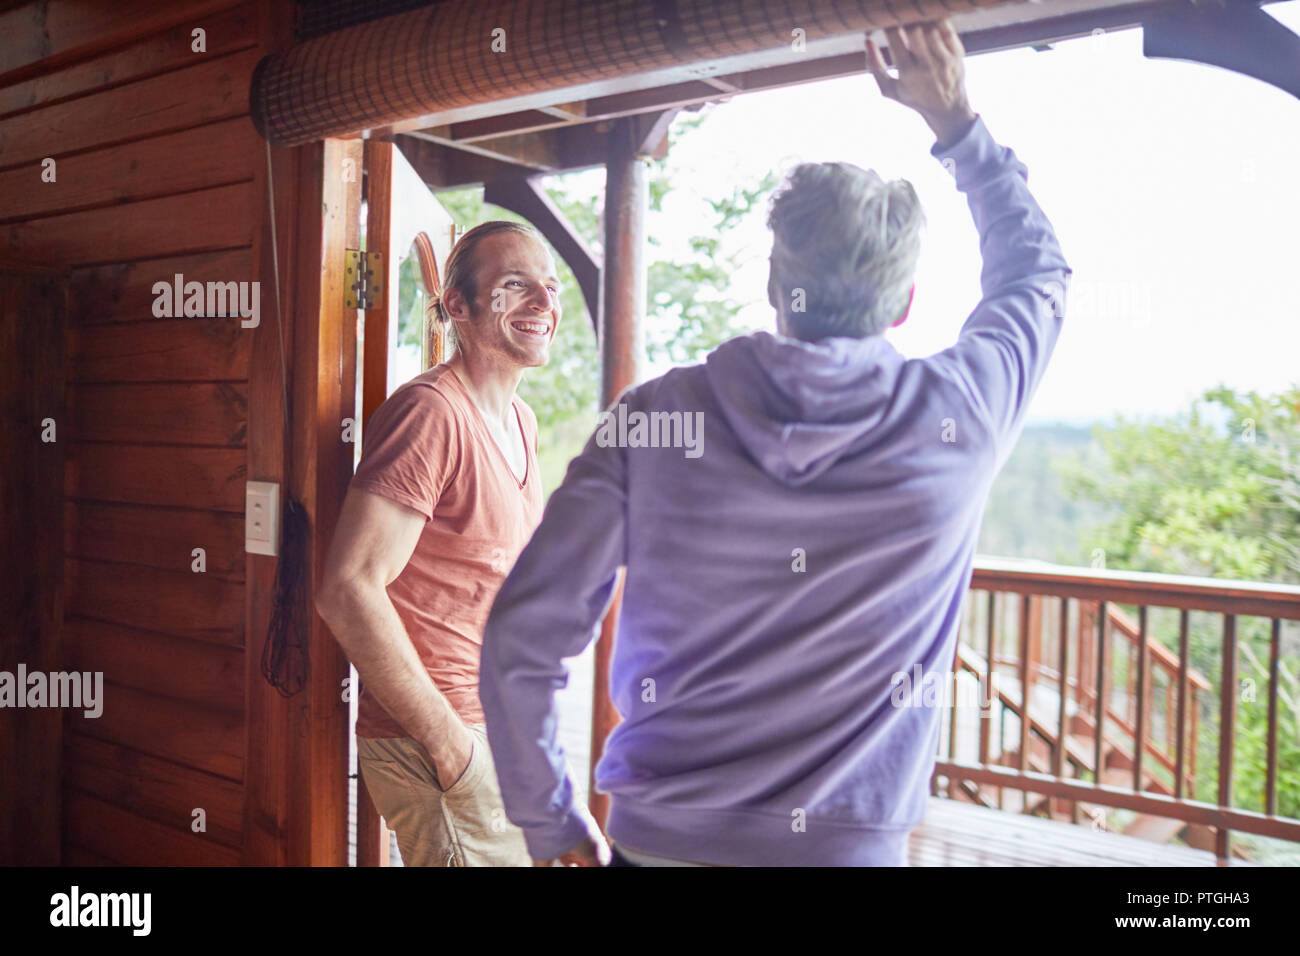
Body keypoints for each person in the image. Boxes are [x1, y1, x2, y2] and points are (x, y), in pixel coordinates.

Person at [480, 19, 1071, 866]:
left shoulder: (654, 421)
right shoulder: (961, 416)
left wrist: (551, 826)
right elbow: (1036, 277)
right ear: (902, 303)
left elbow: (521, 637)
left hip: (657, 843)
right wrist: (958, 125)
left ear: (771, 284)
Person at [316, 221, 569, 866]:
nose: (544, 303)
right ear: (457, 305)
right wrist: (451, 746)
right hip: (443, 742)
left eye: (550, 286)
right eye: (516, 286)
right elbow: (347, 589)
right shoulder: (430, 413)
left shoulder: (521, 419)